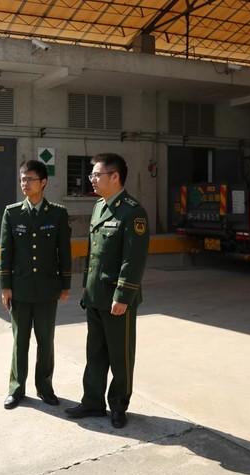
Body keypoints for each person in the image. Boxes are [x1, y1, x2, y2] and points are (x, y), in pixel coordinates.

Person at [65, 153, 149, 429]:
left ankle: (118, 405)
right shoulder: (99, 207)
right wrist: (86, 289)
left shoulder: (133, 212)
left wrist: (122, 296)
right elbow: (93, 254)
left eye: (96, 174)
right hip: (96, 295)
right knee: (95, 353)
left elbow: (133, 260)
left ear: (115, 176)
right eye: (91, 174)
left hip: (116, 299)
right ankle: (92, 401)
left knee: (120, 356)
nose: (91, 179)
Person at [0, 160, 72, 410]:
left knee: (45, 341)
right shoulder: (12, 213)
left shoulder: (58, 213)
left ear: (44, 182)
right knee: (20, 341)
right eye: (22, 179)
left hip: (47, 288)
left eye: (30, 179)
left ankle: (45, 387)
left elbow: (64, 251)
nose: (25, 183)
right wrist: (5, 286)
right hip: (20, 288)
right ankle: (16, 388)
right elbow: (5, 251)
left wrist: (66, 284)